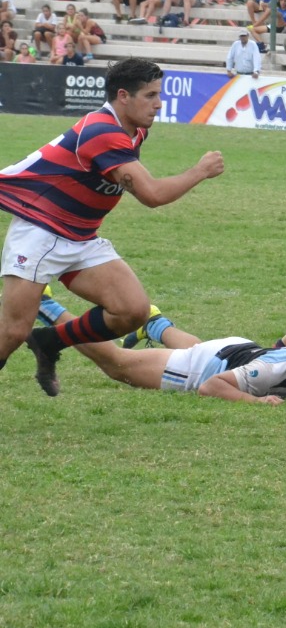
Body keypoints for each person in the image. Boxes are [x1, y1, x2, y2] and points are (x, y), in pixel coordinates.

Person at [0, 58, 224, 394]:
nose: (159, 103)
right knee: (12, 332)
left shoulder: (135, 129)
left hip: (80, 235)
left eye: (158, 94)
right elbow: (151, 195)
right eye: (150, 95)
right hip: (41, 231)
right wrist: (200, 171)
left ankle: (48, 341)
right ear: (123, 96)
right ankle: (34, 338)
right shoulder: (102, 132)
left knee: (131, 310)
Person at [40, 294, 286, 401]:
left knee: (195, 350)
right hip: (206, 367)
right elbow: (210, 388)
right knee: (116, 364)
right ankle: (48, 306)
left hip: (233, 349)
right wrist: (257, 402)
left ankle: (154, 323)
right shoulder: (268, 372)